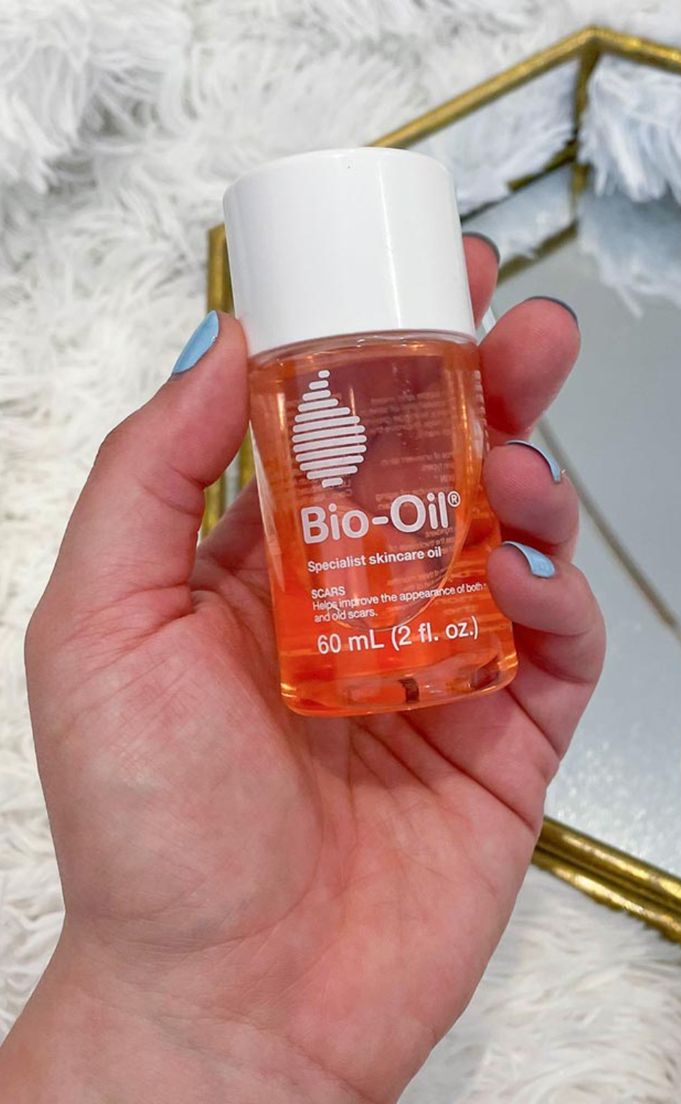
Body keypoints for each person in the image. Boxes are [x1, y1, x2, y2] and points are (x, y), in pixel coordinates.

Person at [0, 235, 605, 1103]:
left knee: (459, 502)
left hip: (442, 668)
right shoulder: (296, 375)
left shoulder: (421, 356)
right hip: (311, 726)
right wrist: (166, 1005)